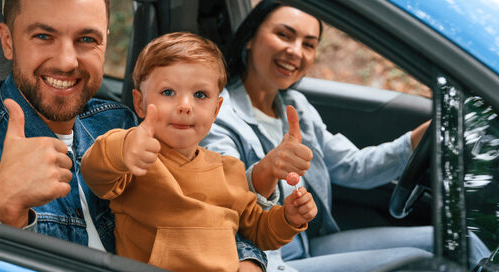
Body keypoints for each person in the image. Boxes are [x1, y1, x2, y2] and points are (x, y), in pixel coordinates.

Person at [0, 0, 269, 267]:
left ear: (105, 43)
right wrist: (2, 211)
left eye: (86, 39)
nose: (68, 61)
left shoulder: (121, 121)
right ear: (7, 42)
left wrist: (248, 259)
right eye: (43, 36)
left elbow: (202, 209)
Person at [200, 1, 489, 271]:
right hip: (266, 259)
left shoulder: (296, 107)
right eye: (284, 35)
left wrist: (420, 136)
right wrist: (267, 170)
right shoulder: (219, 118)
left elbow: (352, 167)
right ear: (250, 38)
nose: (296, 51)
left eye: (308, 44)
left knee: (465, 242)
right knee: (423, 264)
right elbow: (225, 203)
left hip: (308, 243)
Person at [80, 32, 317, 272]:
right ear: (139, 103)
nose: (185, 106)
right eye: (168, 92)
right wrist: (125, 147)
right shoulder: (137, 159)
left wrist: (288, 219)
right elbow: (95, 172)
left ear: (216, 109)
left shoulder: (230, 170)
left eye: (200, 95)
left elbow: (256, 230)